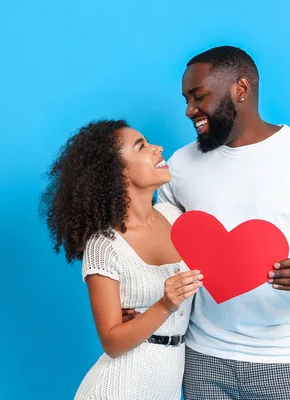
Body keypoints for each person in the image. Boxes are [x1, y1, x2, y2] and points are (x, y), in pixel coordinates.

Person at [126, 45, 290, 399]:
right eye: (186, 99)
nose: (189, 110)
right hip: (201, 360)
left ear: (241, 89)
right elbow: (162, 250)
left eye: (198, 96)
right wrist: (142, 305)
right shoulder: (179, 166)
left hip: (287, 364)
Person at [40, 119, 203, 399]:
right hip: (118, 388)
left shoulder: (175, 217)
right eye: (141, 147)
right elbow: (112, 343)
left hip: (166, 386)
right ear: (118, 173)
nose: (158, 148)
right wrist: (164, 304)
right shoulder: (104, 246)